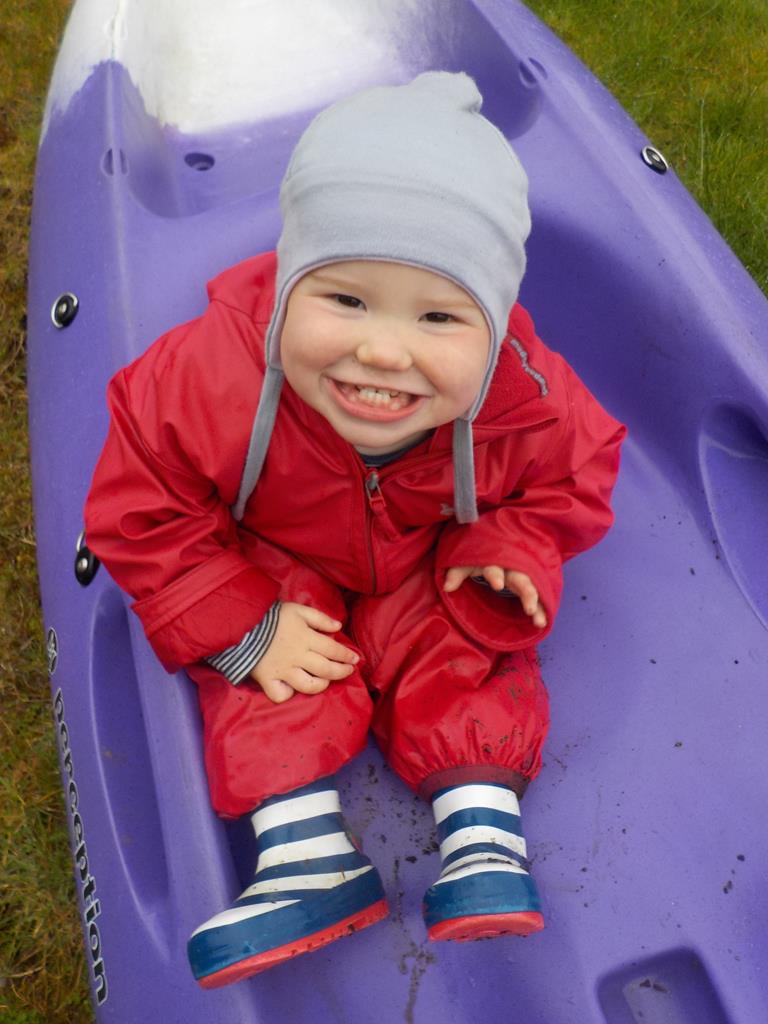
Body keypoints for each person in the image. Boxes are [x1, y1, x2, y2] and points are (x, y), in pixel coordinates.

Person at [84, 71, 626, 989]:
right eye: (345, 300)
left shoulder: (522, 397)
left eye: (439, 317)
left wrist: (511, 548)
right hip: (278, 554)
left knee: (468, 633)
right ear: (291, 284)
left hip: (429, 556)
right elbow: (143, 498)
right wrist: (237, 623)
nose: (383, 349)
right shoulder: (209, 376)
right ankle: (307, 858)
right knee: (275, 666)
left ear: (491, 329)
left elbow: (577, 472)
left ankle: (483, 829)